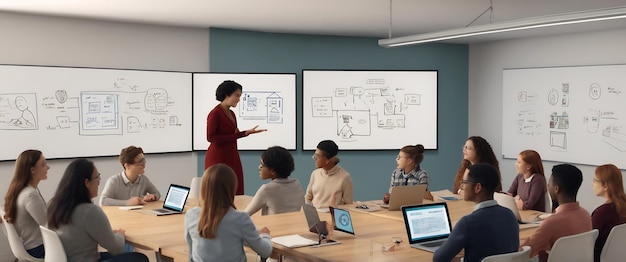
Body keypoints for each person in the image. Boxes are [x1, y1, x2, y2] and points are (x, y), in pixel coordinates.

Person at [46, 159, 148, 262]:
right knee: (139, 258)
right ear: (86, 182)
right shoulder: (90, 211)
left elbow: (80, 233)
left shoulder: (54, 205)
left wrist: (109, 234)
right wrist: (120, 235)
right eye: (97, 177)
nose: (99, 182)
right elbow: (116, 249)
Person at [185, 164, 272, 261]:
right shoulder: (240, 219)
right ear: (232, 188)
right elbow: (265, 251)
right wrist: (265, 235)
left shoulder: (191, 215)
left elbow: (191, 254)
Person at [433, 164, 519, 262]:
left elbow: (439, 258)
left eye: (464, 182)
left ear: (477, 188)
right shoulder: (510, 215)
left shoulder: (468, 223)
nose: (462, 187)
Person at [205, 80, 267, 195]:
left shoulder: (231, 113)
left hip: (232, 154)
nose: (239, 99)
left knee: (235, 187)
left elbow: (232, 136)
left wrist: (245, 133)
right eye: (237, 95)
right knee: (220, 190)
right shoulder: (215, 114)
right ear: (227, 95)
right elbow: (211, 137)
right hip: (218, 156)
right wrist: (236, 135)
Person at [521, 164, 592, 262]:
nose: (548, 186)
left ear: (556, 189)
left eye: (549, 183)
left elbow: (524, 252)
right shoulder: (586, 215)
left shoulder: (552, 222)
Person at [2, 150, 49, 258]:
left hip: (33, 247)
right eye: (43, 164)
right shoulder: (30, 195)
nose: (48, 167)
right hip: (38, 248)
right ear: (32, 170)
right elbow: (48, 225)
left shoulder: (21, 191)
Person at [245, 146, 305, 216]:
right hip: (295, 226)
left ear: (273, 170)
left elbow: (245, 214)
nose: (259, 167)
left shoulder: (267, 189)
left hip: (273, 227)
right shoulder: (296, 184)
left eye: (262, 164)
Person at [591, 164, 626, 262]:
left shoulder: (601, 213)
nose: (592, 184)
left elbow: (589, 242)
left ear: (605, 185)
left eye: (595, 180)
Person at [305, 140, 353, 209]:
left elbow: (348, 204)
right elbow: (308, 198)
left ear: (328, 160)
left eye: (317, 156)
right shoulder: (315, 174)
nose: (314, 158)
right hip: (315, 217)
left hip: (332, 217)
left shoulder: (345, 177)